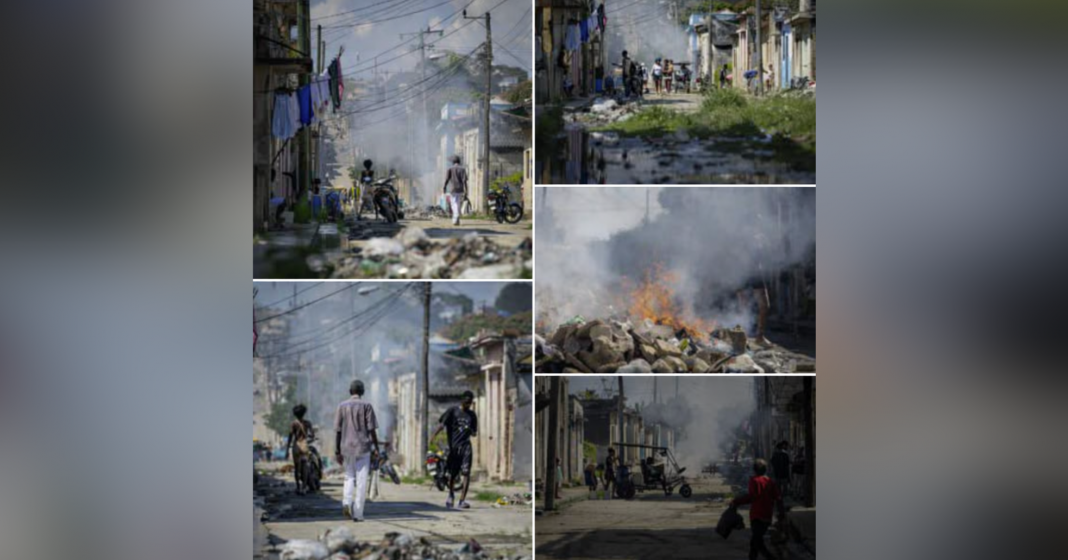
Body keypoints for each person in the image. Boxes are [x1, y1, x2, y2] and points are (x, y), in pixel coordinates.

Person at [334, 379, 380, 522]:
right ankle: (358, 514)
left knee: (349, 477)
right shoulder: (367, 406)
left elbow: (338, 430)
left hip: (346, 448)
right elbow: (372, 429)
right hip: (363, 447)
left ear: (350, 391)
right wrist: (376, 447)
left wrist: (337, 451)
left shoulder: (342, 406)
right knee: (361, 480)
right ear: (362, 392)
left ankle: (346, 503)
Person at [431, 390, 478, 509]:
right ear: (462, 400)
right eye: (466, 402)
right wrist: (433, 436)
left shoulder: (472, 415)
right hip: (454, 447)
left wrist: (470, 431)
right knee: (452, 474)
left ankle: (462, 500)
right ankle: (451, 495)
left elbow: (474, 433)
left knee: (466, 473)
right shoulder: (452, 411)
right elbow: (442, 425)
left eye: (470, 403)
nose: (468, 405)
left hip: (466, 446)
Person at [731, 459, 786, 560]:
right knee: (756, 541)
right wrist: (781, 513)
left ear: (755, 470)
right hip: (767, 515)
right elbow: (778, 498)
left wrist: (737, 501)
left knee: (757, 541)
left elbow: (751, 497)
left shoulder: (754, 480)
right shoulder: (770, 482)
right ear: (765, 470)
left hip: (756, 516)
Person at [285, 404, 312, 495]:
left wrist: (287, 449)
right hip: (304, 446)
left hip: (296, 447)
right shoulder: (308, 423)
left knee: (297, 468)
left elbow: (290, 436)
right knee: (305, 468)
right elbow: (312, 435)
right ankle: (304, 487)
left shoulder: (293, 424)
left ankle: (298, 487)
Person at [442, 155, 468, 226]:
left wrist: (444, 187)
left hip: (453, 189)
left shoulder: (450, 169)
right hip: (460, 189)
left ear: (453, 162)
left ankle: (456, 217)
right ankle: (456, 218)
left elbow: (447, 179)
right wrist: (466, 191)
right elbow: (464, 181)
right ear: (459, 161)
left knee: (454, 203)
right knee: (458, 203)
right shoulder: (463, 169)